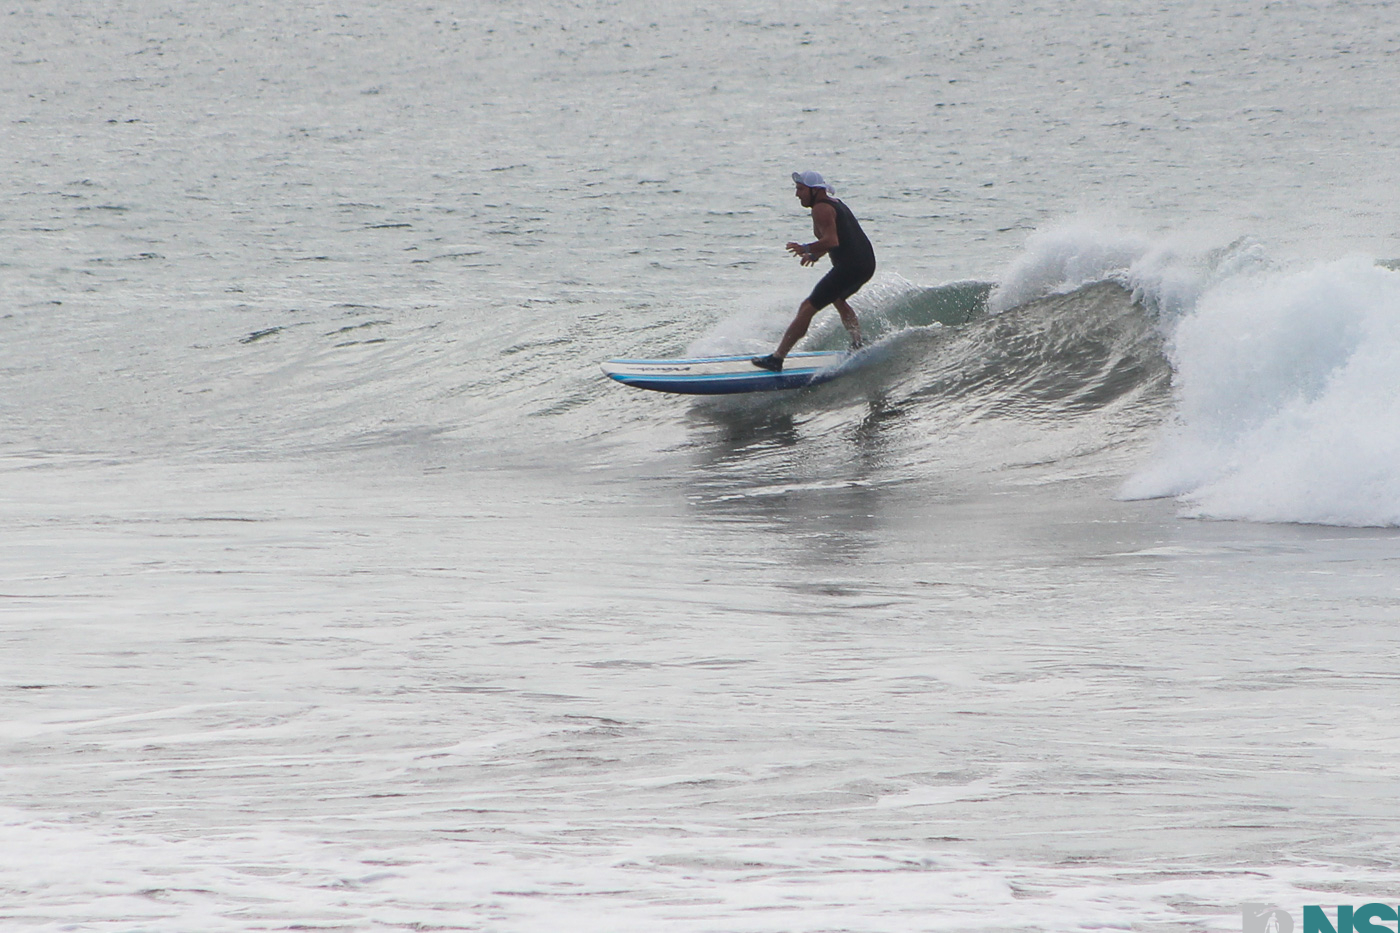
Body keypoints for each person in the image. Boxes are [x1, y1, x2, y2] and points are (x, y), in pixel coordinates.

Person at [751, 171, 877, 372]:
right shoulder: (834, 204)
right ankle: (857, 342)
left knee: (807, 307)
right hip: (865, 264)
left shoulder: (822, 208)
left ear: (814, 190)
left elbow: (832, 241)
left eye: (800, 189)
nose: (797, 194)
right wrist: (815, 255)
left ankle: (777, 358)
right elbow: (840, 238)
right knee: (838, 298)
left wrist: (807, 248)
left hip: (850, 267)